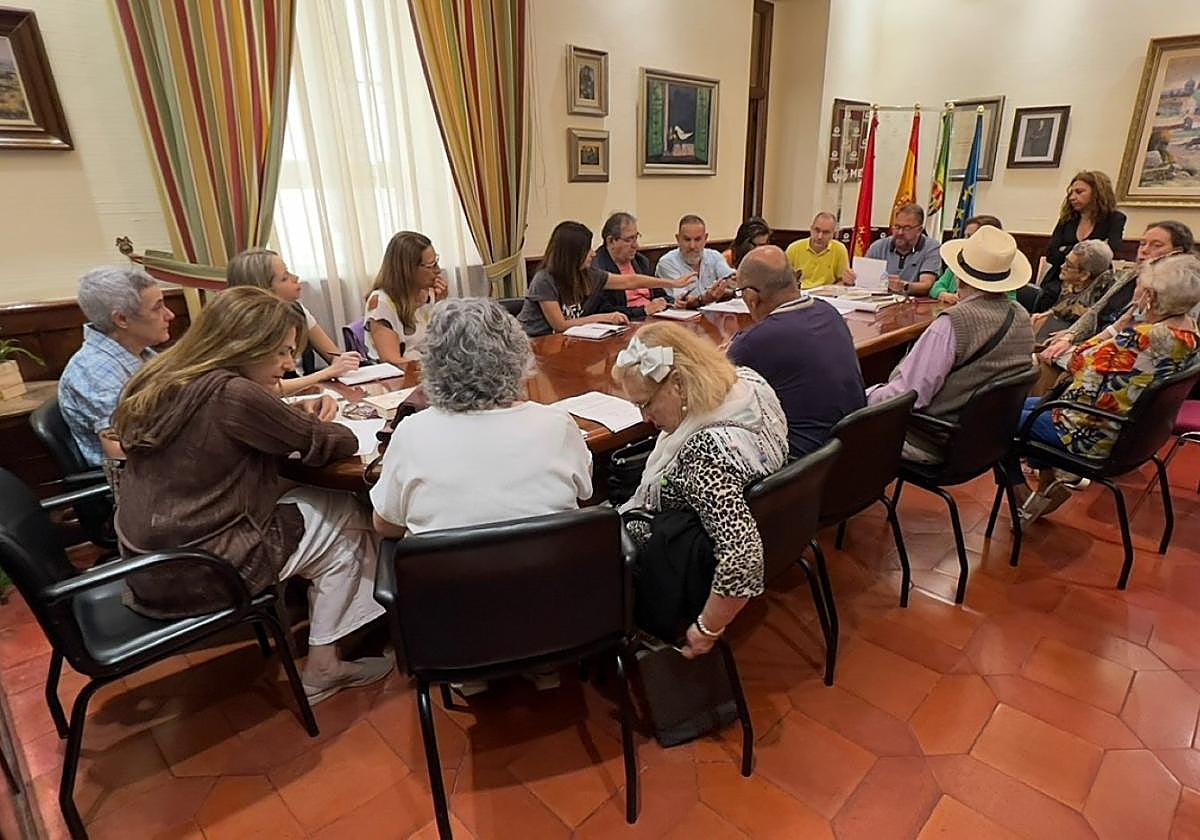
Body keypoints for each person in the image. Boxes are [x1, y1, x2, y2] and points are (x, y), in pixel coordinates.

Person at [111, 287, 391, 704]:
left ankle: (320, 619)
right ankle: (325, 666)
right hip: (202, 569)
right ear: (245, 346)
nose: (288, 364)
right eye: (280, 352)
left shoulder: (163, 376)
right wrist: (329, 426)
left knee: (304, 494)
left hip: (146, 561)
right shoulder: (233, 394)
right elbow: (331, 444)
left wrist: (287, 417)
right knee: (345, 513)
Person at [613, 323, 788, 658]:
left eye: (646, 404)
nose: (645, 417)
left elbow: (743, 558)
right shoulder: (750, 383)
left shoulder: (703, 454)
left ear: (678, 383)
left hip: (676, 560)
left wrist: (706, 630)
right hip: (763, 527)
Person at [1008, 254, 1200, 521]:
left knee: (994, 418)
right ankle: (1047, 482)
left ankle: (1018, 492)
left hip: (1089, 433)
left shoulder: (1139, 337)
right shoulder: (1190, 333)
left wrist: (1118, 326)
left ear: (1151, 298)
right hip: (1132, 433)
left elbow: (1078, 361)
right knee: (1016, 405)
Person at [867, 226, 1035, 463]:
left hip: (930, 439)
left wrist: (863, 397)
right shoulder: (1021, 316)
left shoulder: (953, 324)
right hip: (985, 441)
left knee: (839, 418)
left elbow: (910, 395)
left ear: (958, 276)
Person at [727, 245, 866, 456]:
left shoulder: (757, 341)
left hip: (803, 466)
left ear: (751, 296)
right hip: (854, 451)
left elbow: (716, 386)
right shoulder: (828, 312)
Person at [58, 266, 174, 467]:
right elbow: (123, 455)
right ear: (121, 319)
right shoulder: (94, 371)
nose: (170, 315)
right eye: (157, 307)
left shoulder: (141, 352)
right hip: (140, 477)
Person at [1038, 221, 1194, 365]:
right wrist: (1070, 336)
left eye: (1156, 245)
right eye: (1142, 244)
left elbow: (1133, 337)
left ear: (1176, 253)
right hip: (1095, 342)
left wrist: (1080, 347)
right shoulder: (1129, 275)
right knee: (1047, 352)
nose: (1144, 250)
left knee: (1044, 361)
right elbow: (1095, 311)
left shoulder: (1174, 296)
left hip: (1120, 355)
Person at [517, 221, 689, 337]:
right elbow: (560, 325)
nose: (593, 253)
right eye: (587, 249)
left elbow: (630, 281)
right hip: (534, 342)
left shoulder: (587, 274)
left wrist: (671, 283)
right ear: (572, 254)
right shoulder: (544, 280)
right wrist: (604, 317)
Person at [227, 248, 362, 393]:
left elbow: (333, 355)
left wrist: (342, 362)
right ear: (263, 289)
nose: (296, 277)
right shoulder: (245, 325)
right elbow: (265, 389)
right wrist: (325, 373)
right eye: (285, 278)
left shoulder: (297, 310)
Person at [1036, 170, 1127, 312]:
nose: (1072, 197)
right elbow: (1052, 254)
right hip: (1060, 279)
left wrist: (1066, 249)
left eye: (1079, 192)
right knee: (1047, 296)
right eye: (1071, 193)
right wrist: (1086, 251)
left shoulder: (1115, 219)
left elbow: (1109, 253)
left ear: (1097, 192)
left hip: (1094, 282)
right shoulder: (1068, 219)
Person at [365, 231, 449, 364]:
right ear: (407, 270)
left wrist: (442, 306)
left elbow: (446, 345)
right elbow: (392, 361)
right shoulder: (381, 302)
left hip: (430, 371)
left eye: (436, 262)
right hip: (400, 377)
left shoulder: (432, 292)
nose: (437, 270)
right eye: (430, 266)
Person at [1030, 240, 1115, 342]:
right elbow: (1065, 305)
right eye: (1065, 261)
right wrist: (1046, 314)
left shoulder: (1103, 297)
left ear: (1084, 275)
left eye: (1068, 265)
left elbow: (1089, 326)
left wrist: (1070, 333)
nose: (1062, 266)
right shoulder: (1072, 282)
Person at [592, 212, 669, 320]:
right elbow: (604, 310)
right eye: (629, 240)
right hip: (626, 323)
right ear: (610, 241)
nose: (636, 246)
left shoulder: (641, 261)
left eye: (636, 238)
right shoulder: (597, 267)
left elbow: (660, 294)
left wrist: (670, 302)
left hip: (652, 318)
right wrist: (643, 310)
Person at [655, 214, 738, 309]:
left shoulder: (714, 256)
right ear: (678, 239)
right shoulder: (667, 263)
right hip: (681, 318)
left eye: (698, 239)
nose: (692, 246)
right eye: (687, 239)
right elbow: (682, 299)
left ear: (705, 238)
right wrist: (706, 298)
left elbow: (731, 279)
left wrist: (734, 280)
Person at [865, 203, 942, 296]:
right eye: (897, 227)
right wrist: (851, 279)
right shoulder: (878, 247)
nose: (900, 232)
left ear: (919, 230)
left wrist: (903, 286)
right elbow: (864, 280)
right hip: (879, 302)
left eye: (907, 228)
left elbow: (926, 285)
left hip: (915, 305)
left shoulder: (931, 247)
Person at [928, 216, 1010, 304]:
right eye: (965, 236)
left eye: (970, 236)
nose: (965, 240)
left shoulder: (1001, 269)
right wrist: (944, 295)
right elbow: (936, 287)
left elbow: (1009, 301)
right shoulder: (958, 260)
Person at [785, 211, 855, 290]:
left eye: (826, 232)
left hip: (827, 296)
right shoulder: (794, 248)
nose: (819, 236)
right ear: (811, 229)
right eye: (817, 230)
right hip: (800, 294)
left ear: (834, 234)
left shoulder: (839, 249)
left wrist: (848, 281)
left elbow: (842, 281)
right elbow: (783, 280)